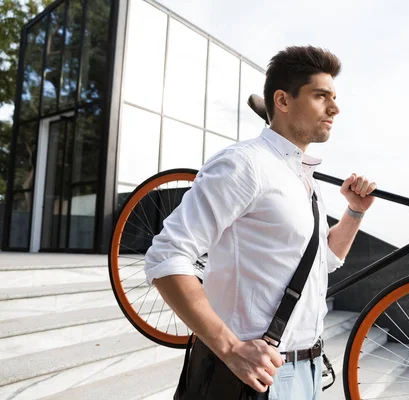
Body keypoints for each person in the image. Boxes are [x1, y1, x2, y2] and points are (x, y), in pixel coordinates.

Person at [144, 45, 377, 400]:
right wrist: (231, 349)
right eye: (321, 96)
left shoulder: (303, 177)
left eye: (334, 97)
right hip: (251, 376)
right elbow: (166, 257)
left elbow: (322, 261)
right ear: (282, 101)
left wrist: (355, 212)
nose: (335, 108)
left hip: (308, 370)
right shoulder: (243, 164)